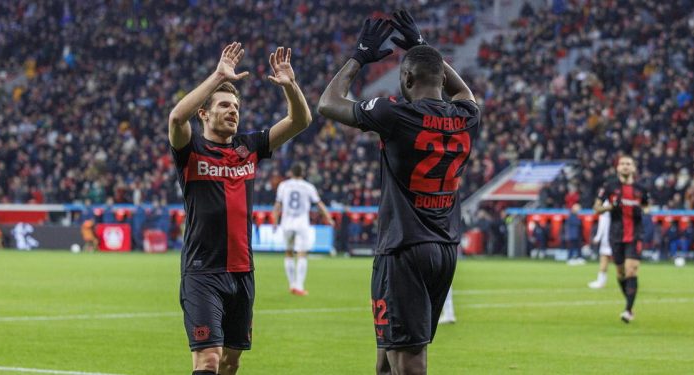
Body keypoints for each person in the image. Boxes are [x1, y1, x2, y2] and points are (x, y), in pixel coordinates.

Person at [318, 10, 481, 374]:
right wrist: (424, 46)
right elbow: (464, 91)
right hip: (444, 247)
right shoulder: (467, 116)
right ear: (441, 76)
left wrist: (360, 55)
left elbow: (328, 103)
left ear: (405, 78)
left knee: (408, 361)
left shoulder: (396, 115)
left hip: (403, 248)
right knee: (386, 359)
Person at [169, 42, 312, 375]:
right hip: (203, 271)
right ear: (204, 113)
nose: (233, 111)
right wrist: (218, 75)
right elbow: (177, 117)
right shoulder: (191, 150)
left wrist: (290, 85)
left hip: (242, 271)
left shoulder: (250, 147)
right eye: (223, 105)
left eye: (236, 106)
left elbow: (300, 120)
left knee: (231, 361)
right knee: (208, 358)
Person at [593, 155, 649, 323]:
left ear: (633, 168)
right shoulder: (609, 187)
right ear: (617, 168)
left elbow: (646, 206)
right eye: (622, 164)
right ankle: (629, 304)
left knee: (631, 269)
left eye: (628, 164)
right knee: (620, 273)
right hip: (616, 234)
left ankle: (628, 310)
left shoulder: (641, 188)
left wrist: (642, 211)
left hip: (635, 234)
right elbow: (596, 208)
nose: (625, 166)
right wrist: (610, 206)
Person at [271, 163, 334, 296]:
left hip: (286, 223)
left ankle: (292, 284)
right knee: (301, 253)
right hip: (301, 224)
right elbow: (319, 204)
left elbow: (277, 205)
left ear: (291, 173)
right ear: (303, 173)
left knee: (288, 253)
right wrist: (328, 217)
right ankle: (299, 286)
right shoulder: (308, 186)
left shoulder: (284, 185)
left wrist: (275, 221)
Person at [588, 200, 612, 288]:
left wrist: (598, 237)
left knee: (604, 258)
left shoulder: (606, 206)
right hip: (618, 236)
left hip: (608, 237)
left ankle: (601, 281)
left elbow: (603, 223)